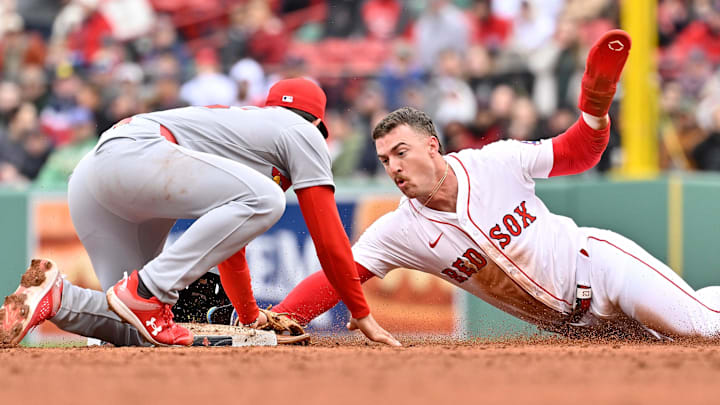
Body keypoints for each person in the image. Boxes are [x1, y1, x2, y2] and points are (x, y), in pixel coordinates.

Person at [253, 30, 720, 342]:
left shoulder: (495, 161)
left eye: (401, 152)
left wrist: (594, 109)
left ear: (433, 146)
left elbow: (580, 152)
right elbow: (341, 275)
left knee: (699, 328)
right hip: (577, 329)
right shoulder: (399, 231)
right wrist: (282, 318)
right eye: (383, 160)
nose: (392, 167)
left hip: (600, 268)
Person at [0, 78, 399, 347]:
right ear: (316, 122)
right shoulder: (302, 132)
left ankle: (58, 298)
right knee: (268, 200)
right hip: (136, 154)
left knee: (137, 328)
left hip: (92, 176)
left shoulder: (243, 131)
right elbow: (328, 238)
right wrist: (360, 312)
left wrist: (249, 318)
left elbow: (230, 245)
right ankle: (147, 292)